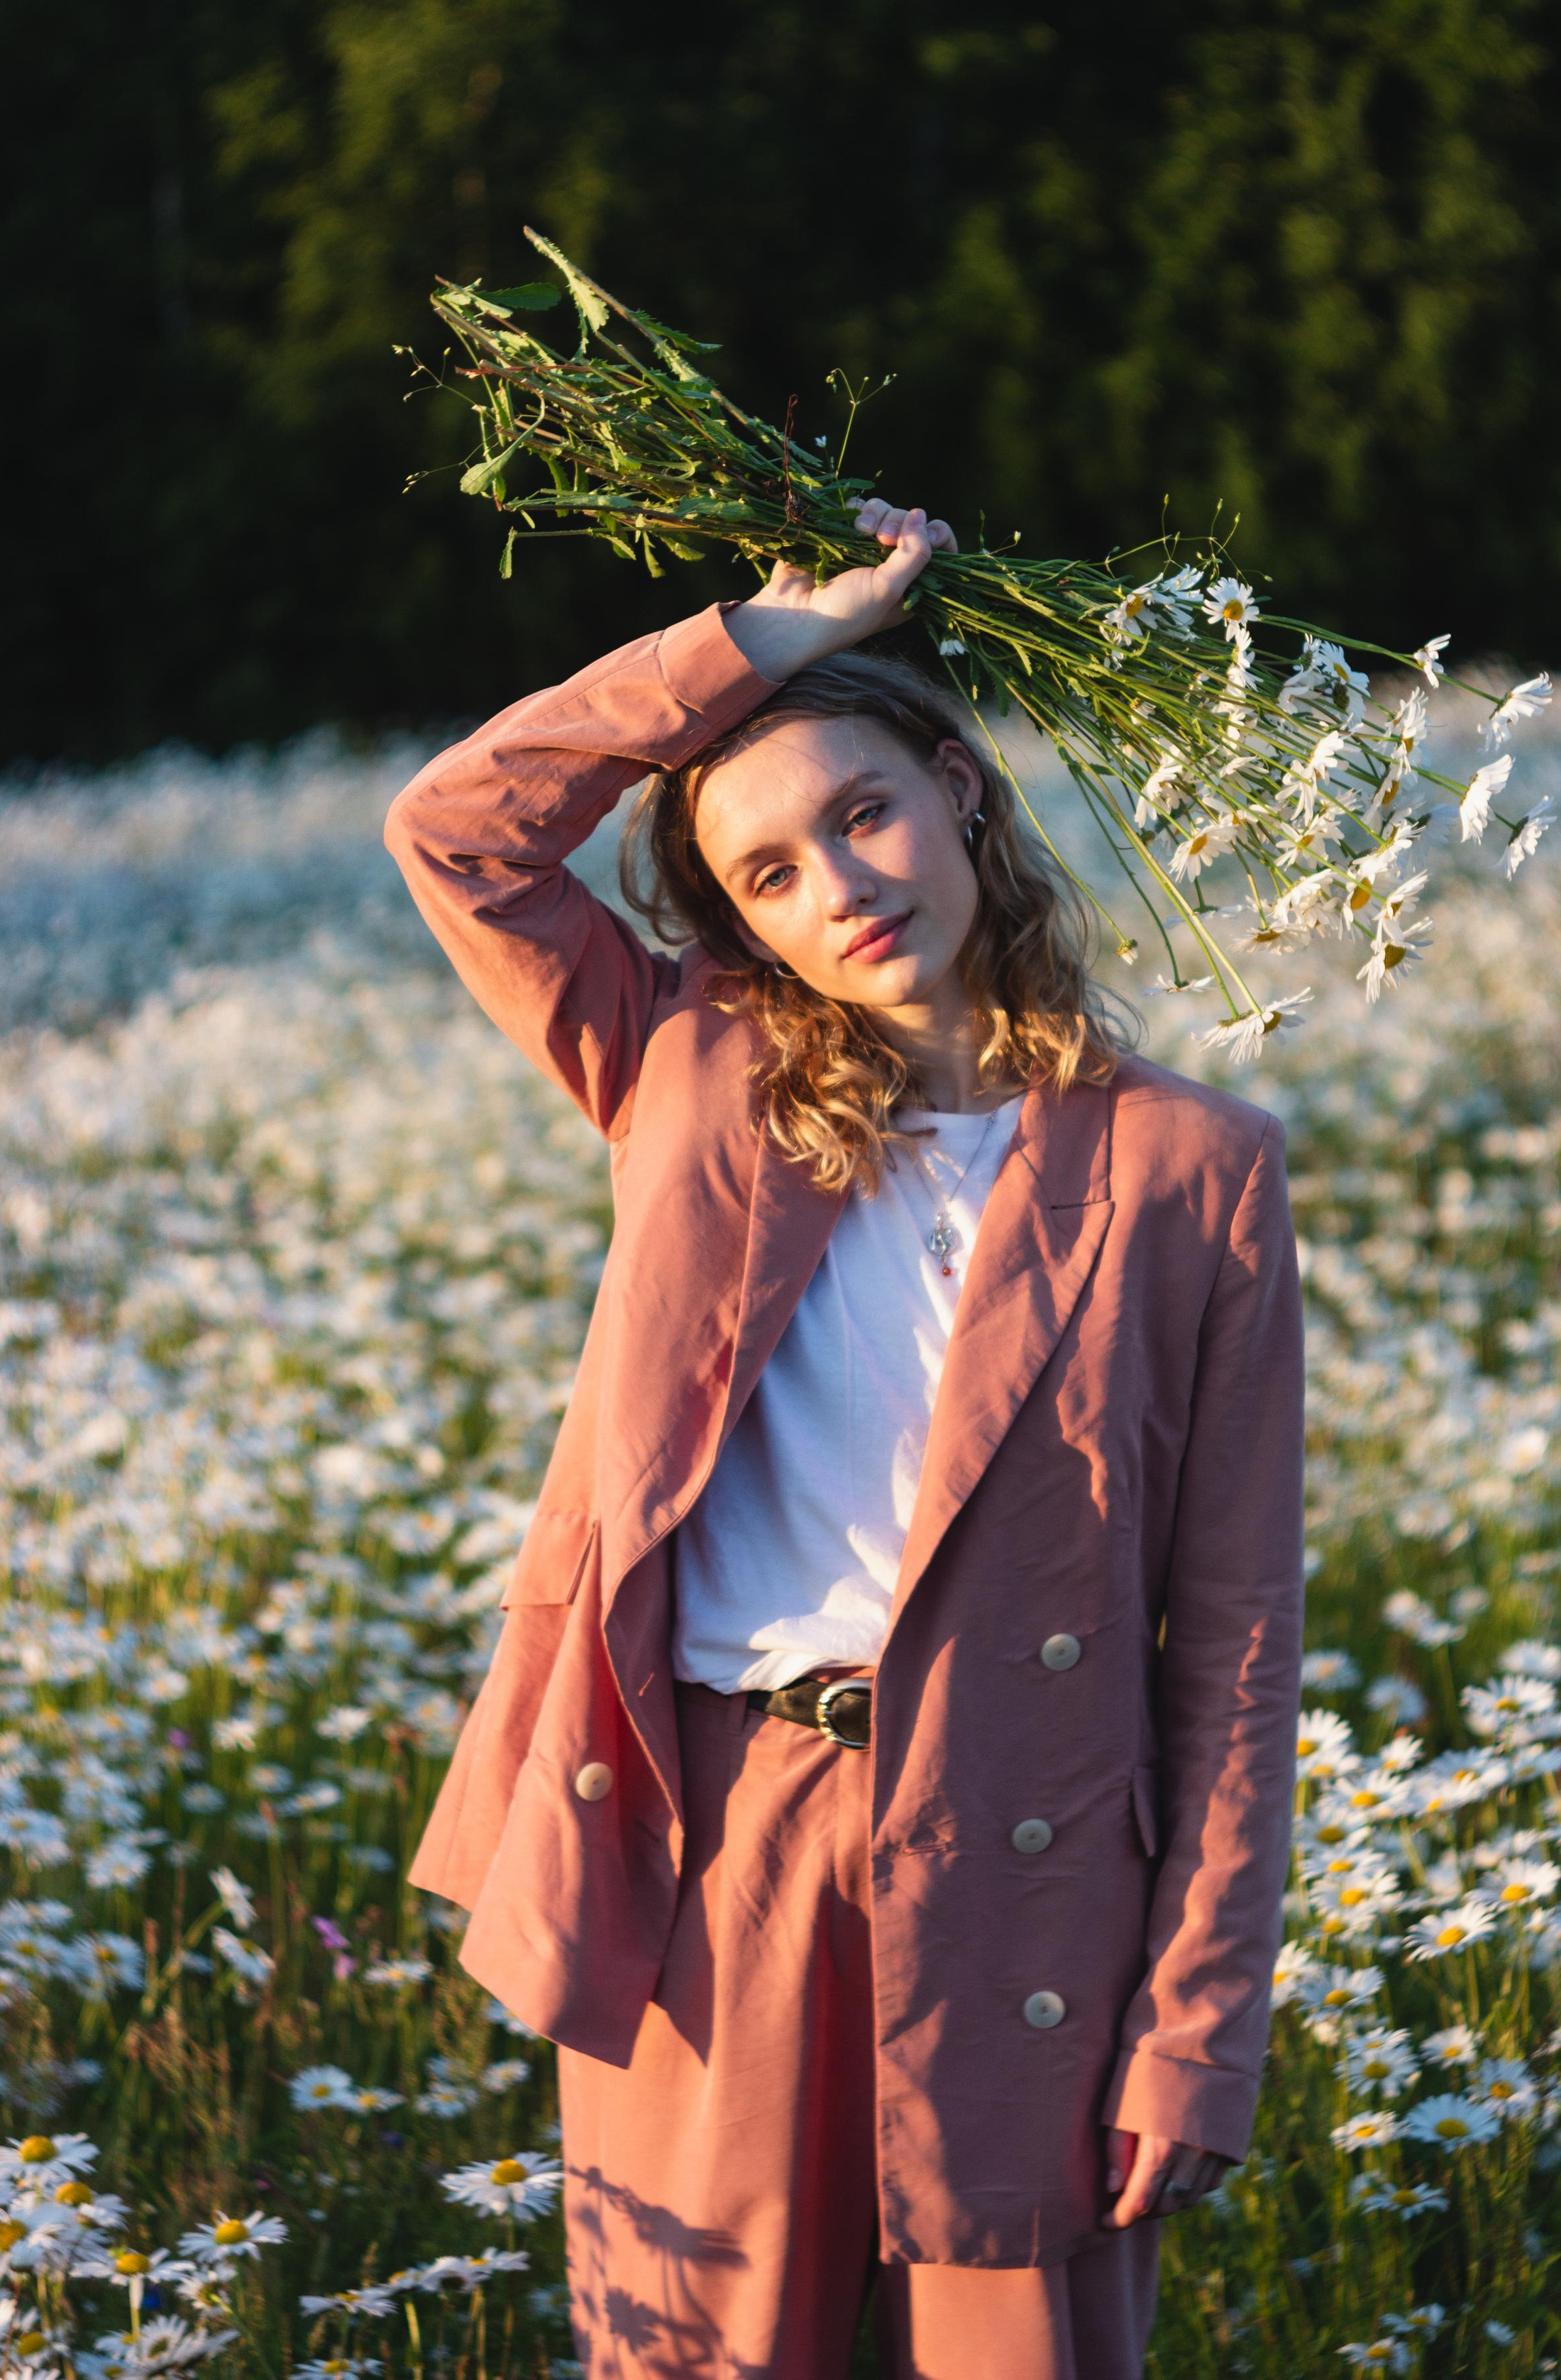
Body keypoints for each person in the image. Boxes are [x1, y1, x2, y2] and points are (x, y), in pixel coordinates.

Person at [384, 502, 1306, 2380]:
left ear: (961, 790)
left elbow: (1232, 1642)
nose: (839, 889)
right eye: (770, 875)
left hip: (1036, 1856)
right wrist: (762, 645)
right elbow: (458, 831)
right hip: (714, 1853)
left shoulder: (1195, 1167)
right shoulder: (686, 1067)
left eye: (863, 815)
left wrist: (1199, 2025)